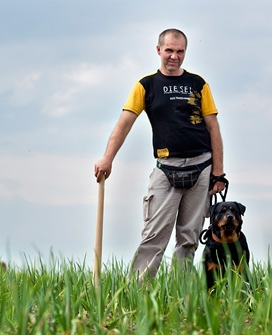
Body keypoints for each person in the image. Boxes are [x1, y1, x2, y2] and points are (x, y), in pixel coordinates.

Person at [93, 28, 226, 280]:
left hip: (201, 167)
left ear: (185, 52)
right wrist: (107, 158)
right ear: (158, 51)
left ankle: (180, 294)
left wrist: (218, 172)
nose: (174, 56)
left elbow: (213, 127)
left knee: (188, 238)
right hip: (166, 168)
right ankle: (137, 293)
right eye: (169, 50)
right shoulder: (146, 85)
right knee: (154, 235)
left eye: (179, 51)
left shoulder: (198, 84)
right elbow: (124, 124)